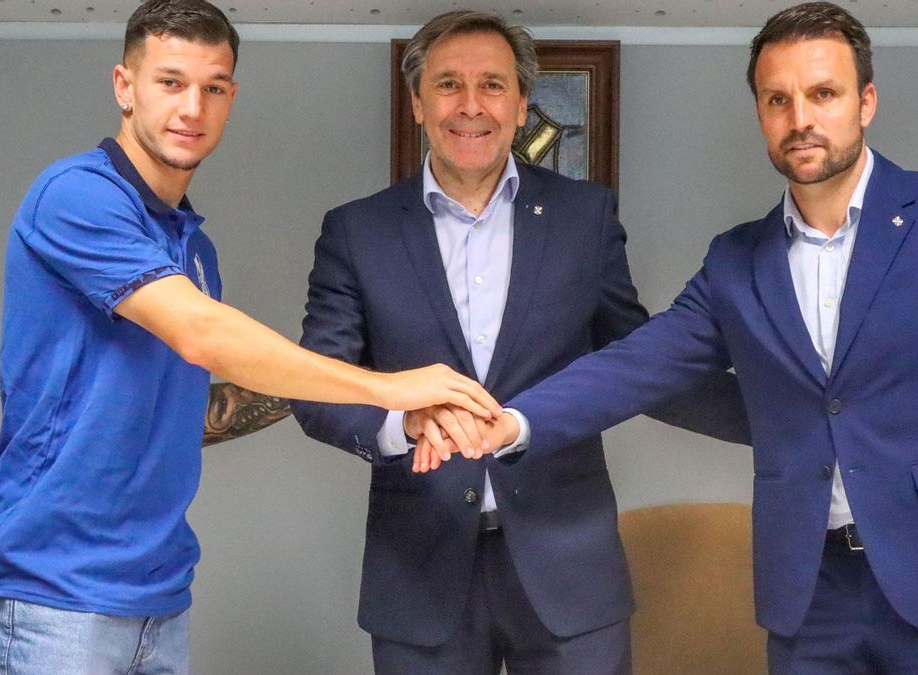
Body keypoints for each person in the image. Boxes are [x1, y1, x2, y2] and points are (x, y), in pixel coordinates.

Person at [432, 3, 918, 673]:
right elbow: (637, 364)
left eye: (824, 94)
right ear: (762, 113)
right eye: (778, 99)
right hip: (807, 600)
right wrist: (509, 421)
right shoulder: (736, 262)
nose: (801, 119)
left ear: (866, 101)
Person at [0, 1, 498, 672]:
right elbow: (200, 334)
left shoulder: (194, 247)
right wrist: (388, 386)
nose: (192, 107)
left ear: (231, 98)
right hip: (50, 592)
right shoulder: (75, 195)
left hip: (157, 591)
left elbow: (195, 408)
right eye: (170, 81)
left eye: (213, 87)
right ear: (124, 87)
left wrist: (344, 391)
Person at [291, 10, 748, 673]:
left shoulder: (584, 217)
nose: (471, 105)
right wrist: (401, 424)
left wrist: (777, 415)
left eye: (492, 85)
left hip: (572, 568)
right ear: (417, 102)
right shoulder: (356, 231)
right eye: (448, 84)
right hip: (419, 573)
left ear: (521, 103)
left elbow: (640, 361)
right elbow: (319, 385)